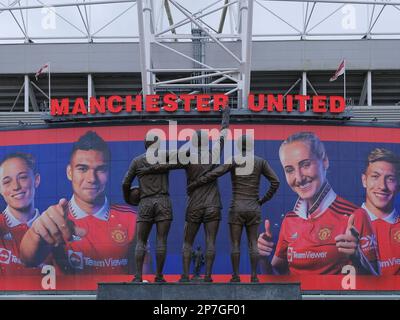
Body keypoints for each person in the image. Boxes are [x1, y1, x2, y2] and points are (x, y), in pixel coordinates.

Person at [20, 131, 143, 275]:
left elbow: (144, 278)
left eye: (100, 169)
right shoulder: (53, 218)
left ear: (109, 172)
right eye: (82, 169)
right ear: (69, 172)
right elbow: (27, 259)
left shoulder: (132, 219)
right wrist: (35, 234)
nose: (91, 178)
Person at [257, 131, 379, 275]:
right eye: (289, 170)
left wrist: (358, 256)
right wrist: (262, 258)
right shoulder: (290, 220)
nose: (299, 178)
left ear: (325, 161)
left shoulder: (355, 215)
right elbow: (278, 277)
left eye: (305, 165)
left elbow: (376, 284)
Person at [138, 106, 230, 282]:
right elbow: (224, 133)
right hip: (213, 205)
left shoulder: (187, 156)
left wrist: (150, 168)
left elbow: (167, 165)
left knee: (187, 242)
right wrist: (226, 115)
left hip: (194, 205)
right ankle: (208, 276)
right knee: (211, 241)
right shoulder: (214, 153)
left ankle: (186, 276)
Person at [187, 134, 280, 282]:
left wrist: (197, 182)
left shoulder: (234, 160)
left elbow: (215, 173)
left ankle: (236, 276)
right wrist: (262, 200)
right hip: (253, 207)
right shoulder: (260, 161)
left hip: (236, 207)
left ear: (238, 146)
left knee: (235, 244)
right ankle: (254, 276)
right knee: (253, 243)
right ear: (251, 146)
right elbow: (275, 182)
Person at [122, 136, 173, 282]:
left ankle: (138, 276)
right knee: (161, 240)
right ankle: (159, 276)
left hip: (145, 202)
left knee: (141, 241)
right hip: (163, 201)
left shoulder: (137, 161)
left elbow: (125, 183)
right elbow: (184, 156)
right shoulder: (164, 157)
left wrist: (129, 199)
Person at [0, 152, 49, 275]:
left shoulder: (52, 228)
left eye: (22, 177)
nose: (16, 186)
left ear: (36, 180)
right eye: (7, 181)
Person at [361, 148, 400, 275]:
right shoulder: (344, 224)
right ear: (364, 180)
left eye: (390, 179)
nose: (382, 186)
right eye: (375, 177)